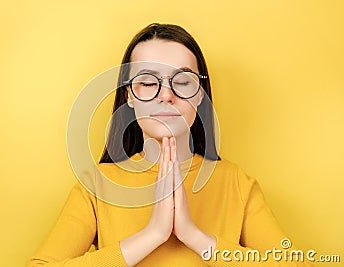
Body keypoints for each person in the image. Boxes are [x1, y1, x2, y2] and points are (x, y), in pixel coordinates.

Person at [27, 23, 313, 266]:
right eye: (148, 82)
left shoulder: (236, 183)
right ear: (129, 96)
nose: (166, 95)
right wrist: (152, 235)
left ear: (200, 94)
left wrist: (193, 235)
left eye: (183, 80)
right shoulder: (96, 186)